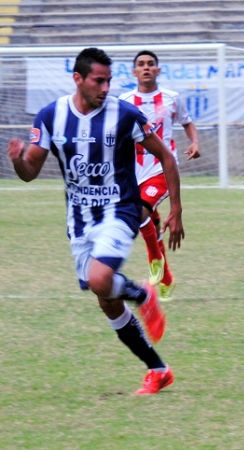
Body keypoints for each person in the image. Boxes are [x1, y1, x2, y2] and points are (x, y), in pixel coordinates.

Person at [6, 47, 183, 395]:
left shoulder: (125, 115)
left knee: (100, 278)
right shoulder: (51, 116)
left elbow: (166, 156)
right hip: (79, 220)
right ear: (78, 79)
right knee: (106, 300)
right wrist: (16, 160)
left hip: (120, 209)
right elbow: (29, 172)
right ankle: (158, 370)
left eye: (108, 81)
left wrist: (176, 210)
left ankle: (143, 294)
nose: (105, 88)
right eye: (98, 81)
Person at [119, 50, 200, 302]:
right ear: (134, 72)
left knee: (140, 212)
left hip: (162, 169)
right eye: (141, 64)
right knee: (149, 222)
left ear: (158, 70)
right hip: (133, 171)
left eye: (150, 64)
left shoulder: (172, 98)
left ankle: (154, 257)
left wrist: (194, 142)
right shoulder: (123, 101)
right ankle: (165, 278)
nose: (146, 67)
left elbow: (187, 122)